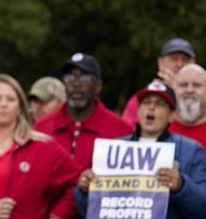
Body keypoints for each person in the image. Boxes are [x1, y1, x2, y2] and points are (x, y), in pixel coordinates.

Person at [75, 81, 206, 218]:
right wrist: (84, 190)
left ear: (172, 115)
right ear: (138, 110)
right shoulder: (115, 147)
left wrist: (181, 186)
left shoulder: (191, 151)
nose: (151, 107)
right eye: (146, 102)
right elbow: (90, 210)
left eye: (160, 104)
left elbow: (202, 209)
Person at [0, 74, 80, 219]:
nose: (4, 104)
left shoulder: (44, 147)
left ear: (20, 107)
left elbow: (77, 182)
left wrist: (58, 215)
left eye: (11, 99)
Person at [34, 53, 132, 169]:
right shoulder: (41, 130)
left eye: (84, 78)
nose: (76, 83)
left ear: (98, 86)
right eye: (69, 78)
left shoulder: (121, 130)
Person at [122, 38, 196, 127]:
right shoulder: (143, 98)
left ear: (194, 63)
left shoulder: (202, 97)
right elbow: (129, 131)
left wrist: (178, 92)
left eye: (184, 59)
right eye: (174, 59)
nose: (179, 64)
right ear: (160, 63)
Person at [169, 64, 206, 149]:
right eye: (183, 85)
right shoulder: (159, 129)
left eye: (196, 85)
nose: (189, 90)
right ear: (173, 89)